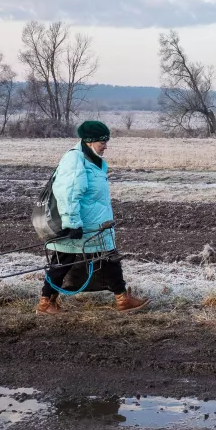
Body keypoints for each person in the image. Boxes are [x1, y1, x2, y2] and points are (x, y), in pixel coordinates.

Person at [36, 120, 148, 315]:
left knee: (108, 258)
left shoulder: (91, 158)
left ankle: (122, 299)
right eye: (102, 141)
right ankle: (46, 303)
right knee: (63, 262)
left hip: (95, 223)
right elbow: (69, 193)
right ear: (89, 141)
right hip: (81, 225)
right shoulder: (75, 159)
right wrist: (72, 224)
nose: (106, 145)